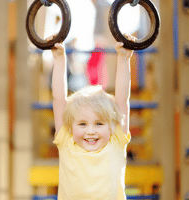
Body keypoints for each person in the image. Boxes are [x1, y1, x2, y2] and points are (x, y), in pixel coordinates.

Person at [48, 34, 136, 199]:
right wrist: (59, 58)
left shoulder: (115, 141)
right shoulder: (67, 142)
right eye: (82, 124)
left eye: (99, 124)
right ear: (71, 126)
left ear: (111, 126)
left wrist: (124, 59)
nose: (90, 131)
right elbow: (59, 99)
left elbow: (123, 99)